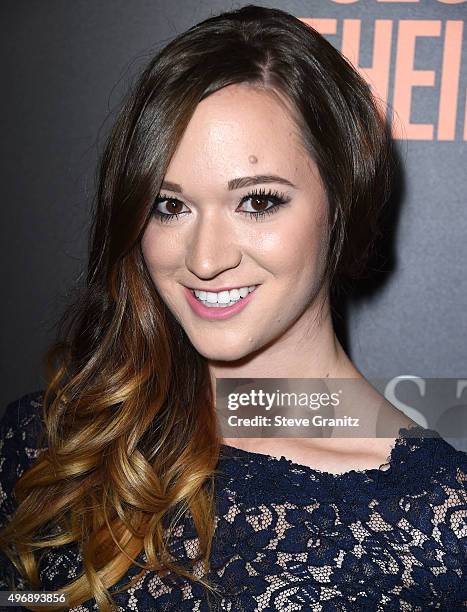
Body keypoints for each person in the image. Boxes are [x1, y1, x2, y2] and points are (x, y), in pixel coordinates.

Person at [0, 5, 465, 611]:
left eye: (259, 201)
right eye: (170, 206)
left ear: (341, 204)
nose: (205, 259)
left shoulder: (441, 529)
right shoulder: (49, 444)